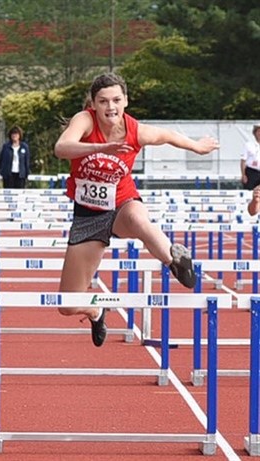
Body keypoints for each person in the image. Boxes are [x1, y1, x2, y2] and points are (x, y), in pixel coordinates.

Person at [54, 72, 219, 347]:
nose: (111, 107)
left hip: (122, 203)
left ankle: (175, 259)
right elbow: (61, 148)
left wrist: (197, 147)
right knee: (67, 304)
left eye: (116, 100)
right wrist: (103, 147)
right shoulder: (84, 120)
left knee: (137, 219)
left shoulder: (136, 131)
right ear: (93, 104)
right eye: (103, 101)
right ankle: (96, 310)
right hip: (88, 214)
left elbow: (166, 135)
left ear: (126, 101)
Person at [241, 123, 260, 190]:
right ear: (255, 133)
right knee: (249, 192)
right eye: (258, 131)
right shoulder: (248, 145)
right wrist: (243, 175)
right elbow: (243, 161)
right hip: (251, 172)